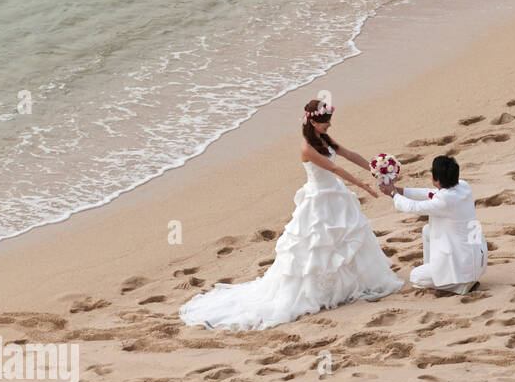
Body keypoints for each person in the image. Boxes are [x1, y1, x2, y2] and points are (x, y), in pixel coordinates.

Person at [179, 99, 403, 331]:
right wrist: (362, 185)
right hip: (318, 199)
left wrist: (374, 169)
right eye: (325, 122)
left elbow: (348, 154)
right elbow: (334, 168)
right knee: (318, 243)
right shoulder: (307, 148)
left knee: (346, 238)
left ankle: (348, 284)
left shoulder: (325, 139)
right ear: (314, 122)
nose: (329, 125)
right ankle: (320, 289)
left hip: (335, 194)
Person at [380, 155, 487, 295]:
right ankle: (435, 270)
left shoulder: (444, 200)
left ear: (437, 180)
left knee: (416, 277)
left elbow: (413, 207)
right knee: (427, 230)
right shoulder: (463, 186)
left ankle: (458, 286)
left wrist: (393, 194)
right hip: (476, 260)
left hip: (462, 266)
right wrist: (400, 191)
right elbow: (431, 193)